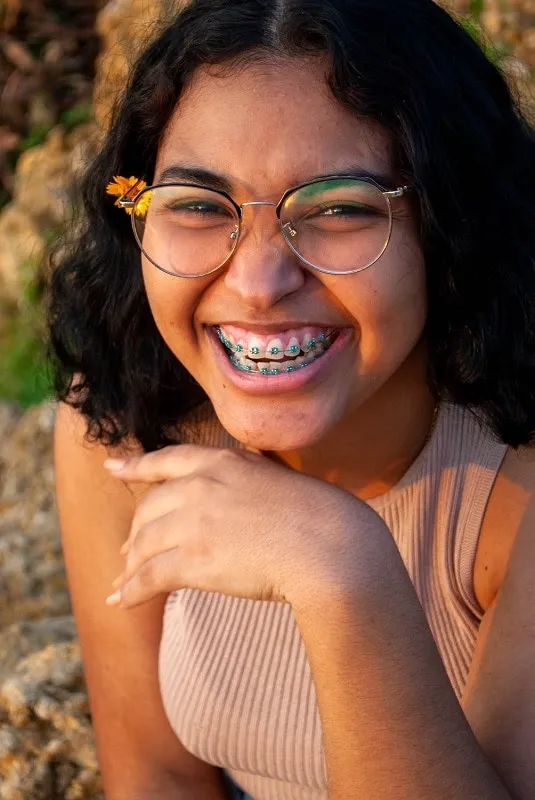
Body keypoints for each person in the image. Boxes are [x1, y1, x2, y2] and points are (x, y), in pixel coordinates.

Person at [48, 0, 535, 798]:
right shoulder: (120, 425)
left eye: (340, 209)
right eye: (199, 207)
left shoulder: (513, 483)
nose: (258, 283)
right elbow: (158, 778)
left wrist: (342, 573)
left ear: (449, 227)